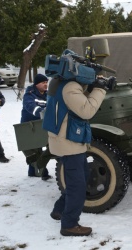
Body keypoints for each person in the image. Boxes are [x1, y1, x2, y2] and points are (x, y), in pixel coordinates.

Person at [43, 73, 109, 236]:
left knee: (81, 177)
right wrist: (100, 89)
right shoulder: (69, 87)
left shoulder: (61, 83)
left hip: (66, 140)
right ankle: (69, 224)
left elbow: (74, 104)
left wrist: (91, 88)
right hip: (69, 143)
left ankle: (59, 210)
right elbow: (87, 110)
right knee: (77, 186)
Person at [20, 74, 51, 181]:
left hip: (41, 125)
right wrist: (41, 112)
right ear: (37, 84)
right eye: (43, 83)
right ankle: (42, 172)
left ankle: (33, 172)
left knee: (38, 147)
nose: (46, 84)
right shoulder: (29, 94)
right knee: (33, 150)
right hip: (29, 125)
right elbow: (30, 106)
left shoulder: (47, 94)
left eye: (46, 82)